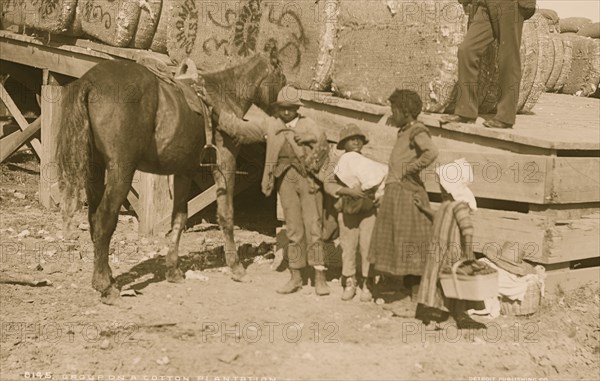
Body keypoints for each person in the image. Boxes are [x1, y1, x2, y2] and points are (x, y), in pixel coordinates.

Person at [215, 86, 331, 296]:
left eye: (291, 108)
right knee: (294, 229)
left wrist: (310, 154)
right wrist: (214, 109)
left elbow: (323, 148)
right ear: (278, 108)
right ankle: (295, 276)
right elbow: (241, 129)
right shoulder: (272, 125)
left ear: (297, 108)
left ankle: (320, 277)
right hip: (285, 179)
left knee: (314, 227)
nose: (286, 112)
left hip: (308, 180)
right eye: (283, 108)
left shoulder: (309, 125)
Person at [368, 89, 439, 292]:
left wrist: (408, 169)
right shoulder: (405, 131)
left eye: (394, 110)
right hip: (396, 192)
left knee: (411, 241)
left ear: (405, 111)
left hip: (407, 194)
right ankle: (408, 293)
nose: (392, 115)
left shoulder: (417, 130)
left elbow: (431, 152)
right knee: (401, 240)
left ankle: (416, 296)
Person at [441, 0, 537, 129]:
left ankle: (505, 117)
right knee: (467, 50)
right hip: (485, 4)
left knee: (508, 58)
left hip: (511, 4)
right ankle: (466, 112)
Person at [414, 158, 487, 329]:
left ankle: (453, 316)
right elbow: (439, 219)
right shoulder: (446, 205)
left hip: (451, 252)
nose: (440, 187)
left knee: (449, 283)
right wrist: (424, 208)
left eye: (442, 184)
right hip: (438, 252)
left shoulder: (460, 206)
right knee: (437, 283)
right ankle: (438, 315)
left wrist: (469, 252)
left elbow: (467, 228)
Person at [321, 123, 388, 301]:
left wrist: (378, 195)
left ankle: (367, 282)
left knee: (367, 246)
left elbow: (381, 182)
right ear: (343, 144)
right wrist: (349, 191)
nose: (356, 142)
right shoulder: (338, 163)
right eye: (351, 140)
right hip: (348, 209)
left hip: (368, 210)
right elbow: (328, 185)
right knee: (348, 247)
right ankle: (349, 281)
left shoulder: (368, 162)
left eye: (359, 139)